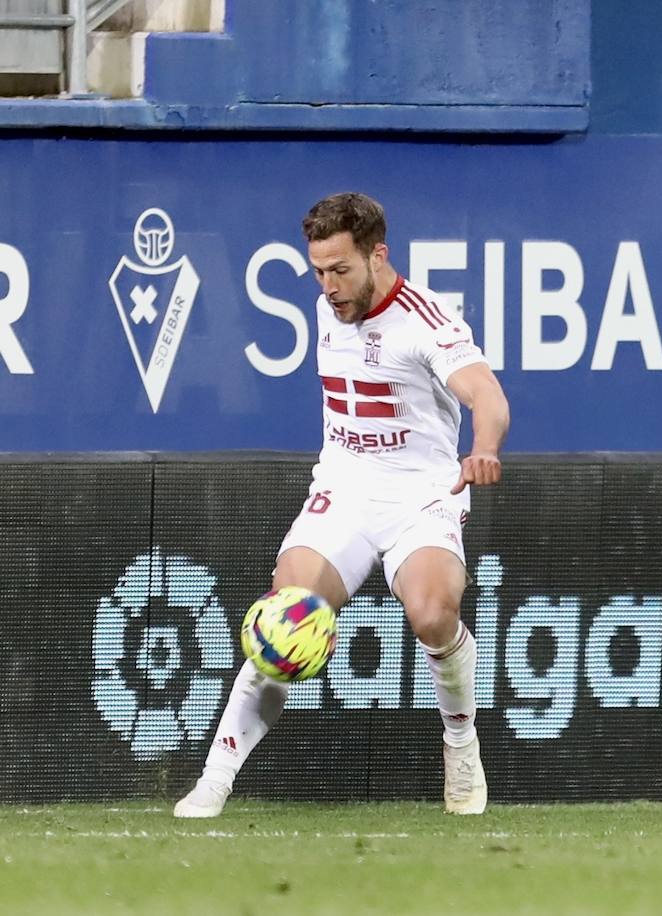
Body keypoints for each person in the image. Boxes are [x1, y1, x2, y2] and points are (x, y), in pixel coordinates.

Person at [175, 192, 509, 817]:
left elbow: (486, 395)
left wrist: (484, 446)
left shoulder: (427, 321)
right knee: (287, 614)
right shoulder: (332, 305)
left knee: (433, 614)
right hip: (346, 488)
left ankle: (461, 745)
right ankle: (215, 779)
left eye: (341, 270)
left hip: (420, 495)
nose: (328, 286)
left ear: (377, 255)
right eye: (319, 271)